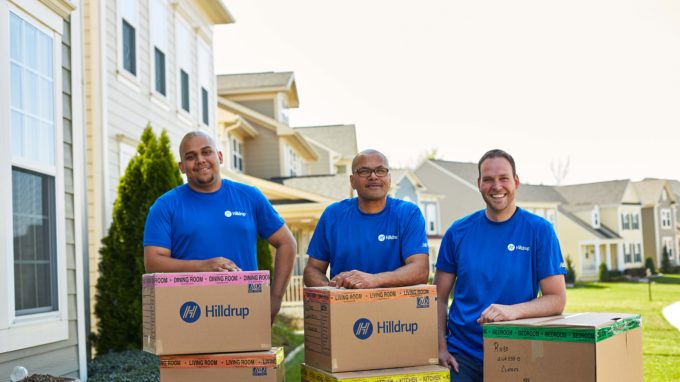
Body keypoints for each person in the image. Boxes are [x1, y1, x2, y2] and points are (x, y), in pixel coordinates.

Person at [434, 149, 566, 381]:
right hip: (461, 356)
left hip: (515, 351)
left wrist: (512, 311)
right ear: (479, 184)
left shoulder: (539, 231)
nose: (497, 186)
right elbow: (438, 298)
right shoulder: (458, 232)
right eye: (488, 180)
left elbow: (556, 299)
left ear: (516, 181)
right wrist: (440, 347)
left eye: (503, 178)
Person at [143, 131, 297, 322]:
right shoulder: (166, 206)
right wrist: (203, 266)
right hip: (189, 313)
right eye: (191, 157)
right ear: (182, 167)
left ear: (220, 157)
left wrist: (275, 298)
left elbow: (287, 243)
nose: (200, 160)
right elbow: (153, 262)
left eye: (206, 152)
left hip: (245, 311)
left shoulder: (249, 196)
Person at [303, 149, 429, 289]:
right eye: (364, 171)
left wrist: (374, 280)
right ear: (352, 181)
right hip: (345, 306)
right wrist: (332, 289)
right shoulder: (333, 215)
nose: (373, 176)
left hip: (395, 307)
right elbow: (312, 270)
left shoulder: (408, 213)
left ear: (389, 178)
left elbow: (420, 270)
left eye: (380, 170)